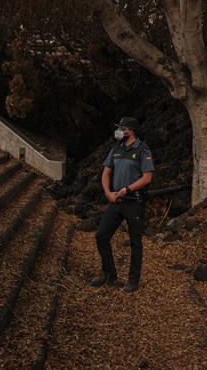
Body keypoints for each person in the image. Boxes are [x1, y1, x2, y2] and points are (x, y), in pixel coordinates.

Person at [91, 116, 154, 293]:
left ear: (130, 131)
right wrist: (108, 193)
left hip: (134, 202)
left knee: (135, 242)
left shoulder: (142, 150)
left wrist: (128, 189)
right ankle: (109, 274)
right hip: (116, 201)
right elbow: (106, 174)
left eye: (122, 128)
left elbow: (147, 177)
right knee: (101, 236)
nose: (118, 131)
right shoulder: (116, 149)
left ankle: (133, 280)